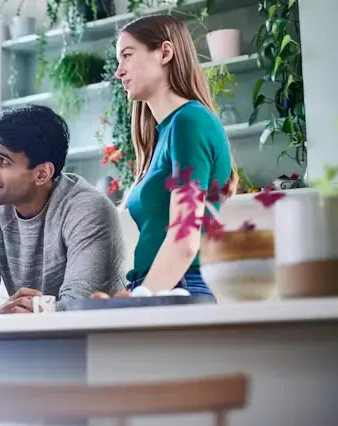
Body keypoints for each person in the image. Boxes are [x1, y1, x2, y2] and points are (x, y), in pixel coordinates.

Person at [114, 15, 237, 298]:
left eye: (127, 56)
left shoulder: (189, 121)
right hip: (160, 288)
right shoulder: (165, 134)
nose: (119, 71)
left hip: (179, 289)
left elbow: (184, 238)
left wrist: (142, 297)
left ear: (165, 52)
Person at [0, 105, 127, 314]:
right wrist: (1, 314)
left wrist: (13, 314)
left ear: (42, 174)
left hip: (105, 339)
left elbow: (78, 306)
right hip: (36, 340)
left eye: (3, 161)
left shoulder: (87, 209)